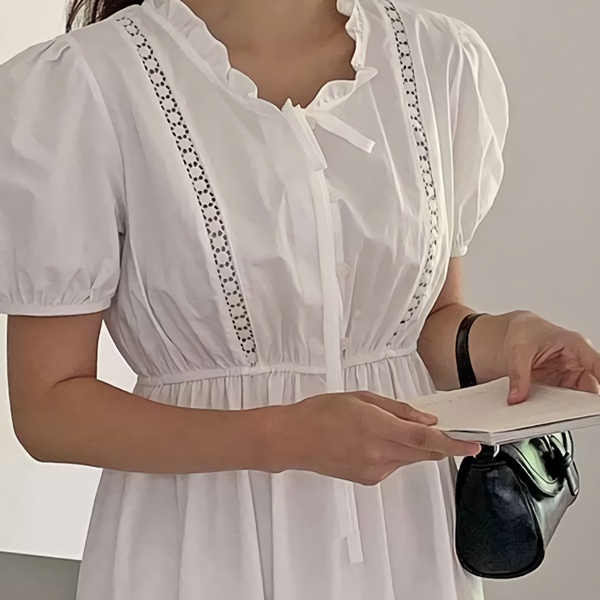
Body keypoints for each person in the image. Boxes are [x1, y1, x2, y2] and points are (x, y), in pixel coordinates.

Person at [1, 0, 599, 598]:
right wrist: (284, 437)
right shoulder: (84, 84)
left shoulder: (437, 59)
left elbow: (421, 326)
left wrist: (509, 340)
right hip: (201, 534)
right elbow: (49, 410)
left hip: (405, 524)